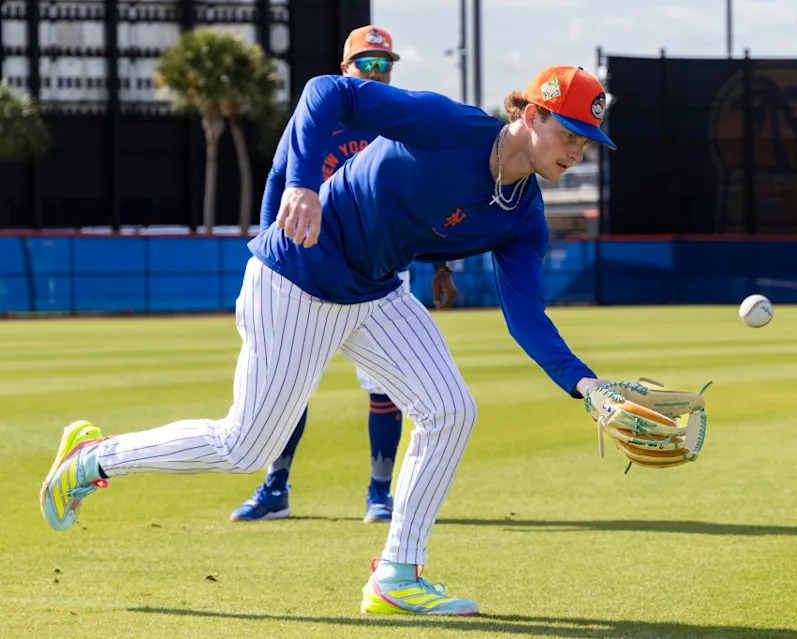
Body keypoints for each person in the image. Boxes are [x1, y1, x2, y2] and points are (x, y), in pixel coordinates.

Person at [40, 64, 616, 616]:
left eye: (587, 142)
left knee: (450, 410)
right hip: (298, 276)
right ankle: (93, 459)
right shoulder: (451, 125)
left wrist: (585, 384)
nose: (576, 150)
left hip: (374, 292)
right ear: (533, 115)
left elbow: (525, 314)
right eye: (570, 133)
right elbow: (325, 92)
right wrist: (301, 184)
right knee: (244, 449)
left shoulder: (523, 216)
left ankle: (397, 576)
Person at [229, 25, 458, 525]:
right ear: (345, 69)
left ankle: (380, 493)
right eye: (366, 64)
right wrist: (270, 250)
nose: (377, 72)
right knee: (286, 389)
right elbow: (279, 177)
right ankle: (275, 487)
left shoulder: (400, 121)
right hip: (306, 272)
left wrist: (441, 266)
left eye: (385, 64)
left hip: (381, 276)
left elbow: (430, 201)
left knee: (387, 388)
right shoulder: (321, 114)